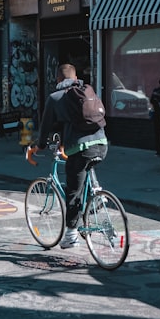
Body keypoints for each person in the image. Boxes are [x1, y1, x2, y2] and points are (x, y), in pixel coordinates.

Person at [34, 63, 109, 249]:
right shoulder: (87, 91)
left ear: (58, 79)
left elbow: (46, 126)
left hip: (81, 148)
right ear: (76, 78)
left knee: (73, 193)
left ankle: (71, 235)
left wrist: (39, 146)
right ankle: (97, 193)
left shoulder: (55, 97)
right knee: (87, 166)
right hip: (102, 143)